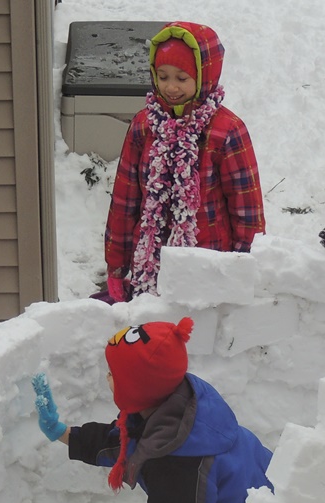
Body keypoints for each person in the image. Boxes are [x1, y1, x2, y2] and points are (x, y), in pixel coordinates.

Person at [32, 317, 272, 503]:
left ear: (136, 388)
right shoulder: (178, 402)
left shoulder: (177, 462)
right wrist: (62, 432)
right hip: (240, 499)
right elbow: (125, 442)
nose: (108, 376)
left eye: (114, 374)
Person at [103, 21, 265, 301]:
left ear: (205, 75)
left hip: (210, 263)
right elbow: (125, 200)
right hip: (150, 266)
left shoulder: (226, 130)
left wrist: (246, 266)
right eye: (163, 76)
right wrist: (116, 264)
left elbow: (246, 207)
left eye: (182, 78)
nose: (170, 87)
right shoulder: (144, 125)